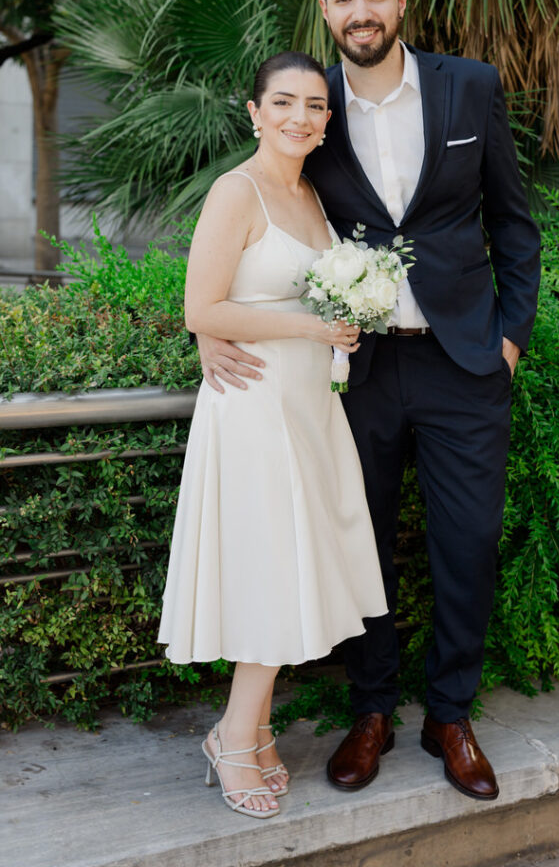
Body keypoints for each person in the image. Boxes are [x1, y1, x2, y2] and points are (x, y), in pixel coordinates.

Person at [196, 0, 541, 802]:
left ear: (400, 1)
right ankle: (372, 709)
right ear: (325, 11)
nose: (361, 12)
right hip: (359, 369)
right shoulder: (312, 110)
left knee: (467, 543)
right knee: (360, 540)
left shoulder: (469, 87)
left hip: (464, 361)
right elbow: (253, 223)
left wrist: (509, 340)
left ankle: (451, 715)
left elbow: (512, 220)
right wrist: (209, 326)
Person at [157, 50, 388, 820]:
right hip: (253, 405)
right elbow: (201, 308)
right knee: (271, 569)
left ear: (327, 121)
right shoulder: (237, 190)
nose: (300, 116)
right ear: (254, 112)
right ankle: (232, 737)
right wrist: (309, 327)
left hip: (309, 406)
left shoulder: (314, 195)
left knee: (291, 569)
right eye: (283, 102)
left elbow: (299, 295)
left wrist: (342, 323)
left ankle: (249, 731)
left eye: (315, 105)